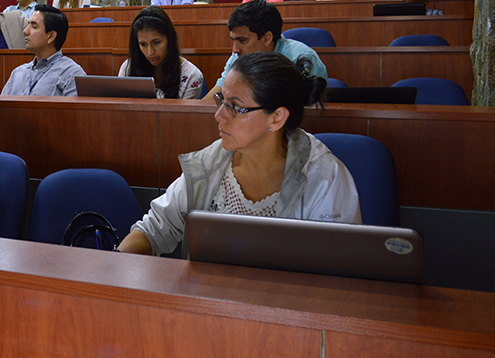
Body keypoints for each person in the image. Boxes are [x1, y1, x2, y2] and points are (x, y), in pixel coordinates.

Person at [119, 52, 361, 256]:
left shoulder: (324, 178)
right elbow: (154, 229)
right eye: (221, 101)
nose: (219, 115)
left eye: (235, 106)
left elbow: (338, 273)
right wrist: (116, 263)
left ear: (277, 117)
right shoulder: (211, 163)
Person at [205, 0, 327, 98]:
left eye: (242, 40)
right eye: (233, 40)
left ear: (266, 38)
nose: (235, 50)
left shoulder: (303, 59)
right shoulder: (239, 56)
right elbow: (220, 89)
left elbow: (309, 112)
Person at [118, 6, 205, 99]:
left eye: (156, 43)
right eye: (143, 44)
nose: (150, 52)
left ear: (169, 40)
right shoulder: (127, 68)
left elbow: (186, 113)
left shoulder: (191, 75)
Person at [1, 5, 87, 96]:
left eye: (34, 26)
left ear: (51, 36)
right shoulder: (18, 73)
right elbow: (1, 109)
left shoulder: (71, 74)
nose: (25, 31)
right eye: (28, 25)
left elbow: (74, 110)